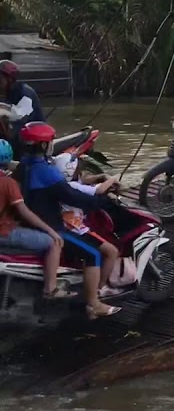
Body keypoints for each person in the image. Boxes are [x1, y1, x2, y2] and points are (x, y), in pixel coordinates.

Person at [15, 122, 120, 318]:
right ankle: (93, 304)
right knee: (93, 254)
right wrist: (100, 201)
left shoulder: (24, 165)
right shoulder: (45, 171)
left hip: (27, 222)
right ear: (45, 145)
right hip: (51, 227)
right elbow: (72, 196)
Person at [50, 152, 124, 299]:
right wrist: (113, 179)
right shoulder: (72, 186)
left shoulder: (65, 185)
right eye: (77, 168)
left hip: (71, 226)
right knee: (112, 252)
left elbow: (83, 181)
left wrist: (99, 177)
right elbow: (99, 190)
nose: (80, 171)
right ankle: (100, 288)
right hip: (78, 229)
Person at [0, 138, 66, 301]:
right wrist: (51, 232)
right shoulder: (8, 183)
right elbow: (24, 212)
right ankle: (50, 289)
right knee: (52, 243)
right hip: (4, 232)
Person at [0, 60, 44, 141]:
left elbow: (19, 116)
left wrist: (3, 111)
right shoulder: (6, 93)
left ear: (10, 79)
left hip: (33, 141)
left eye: (0, 78)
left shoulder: (26, 93)